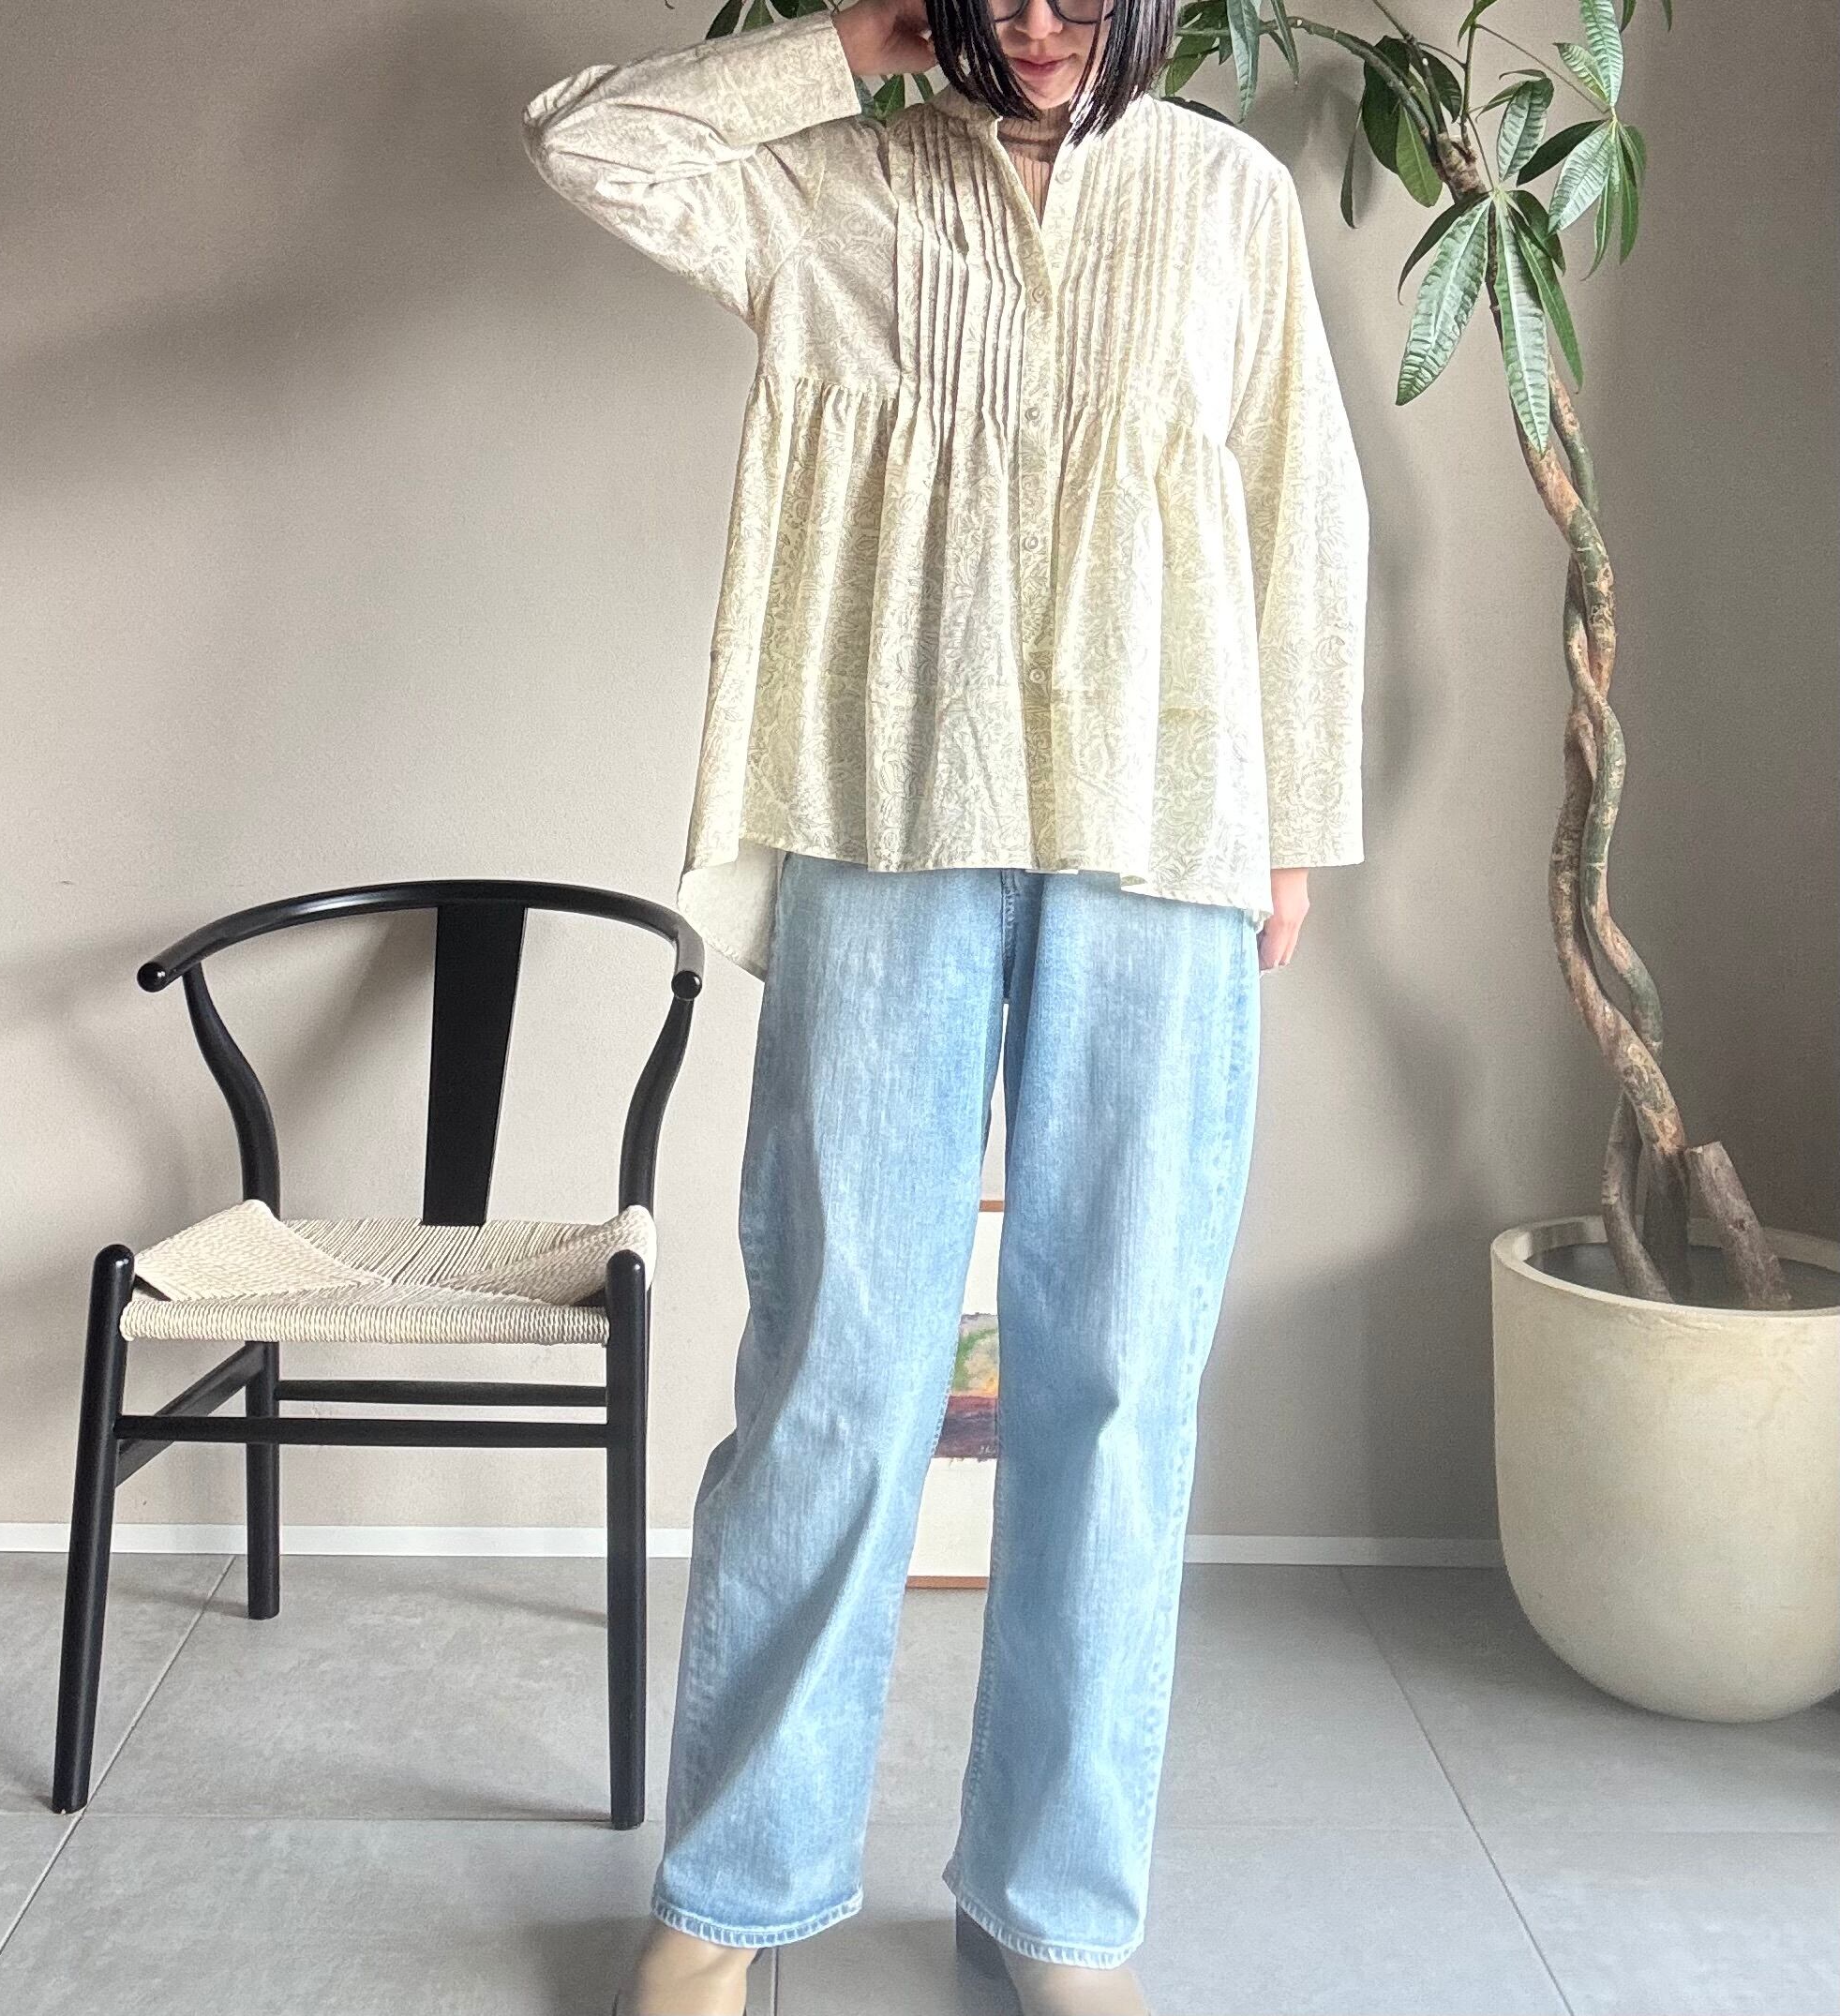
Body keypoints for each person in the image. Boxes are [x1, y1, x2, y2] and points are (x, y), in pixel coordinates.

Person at [520, 0, 1369, 2008]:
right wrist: (853, 41)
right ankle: (731, 1891)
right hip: (885, 811)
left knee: (1116, 1380)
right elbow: (590, 144)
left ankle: (1054, 1902)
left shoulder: (1227, 199)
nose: (1043, 20)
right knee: (837, 1358)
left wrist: (1297, 827)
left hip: (1167, 825)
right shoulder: (838, 190)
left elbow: (1299, 511)